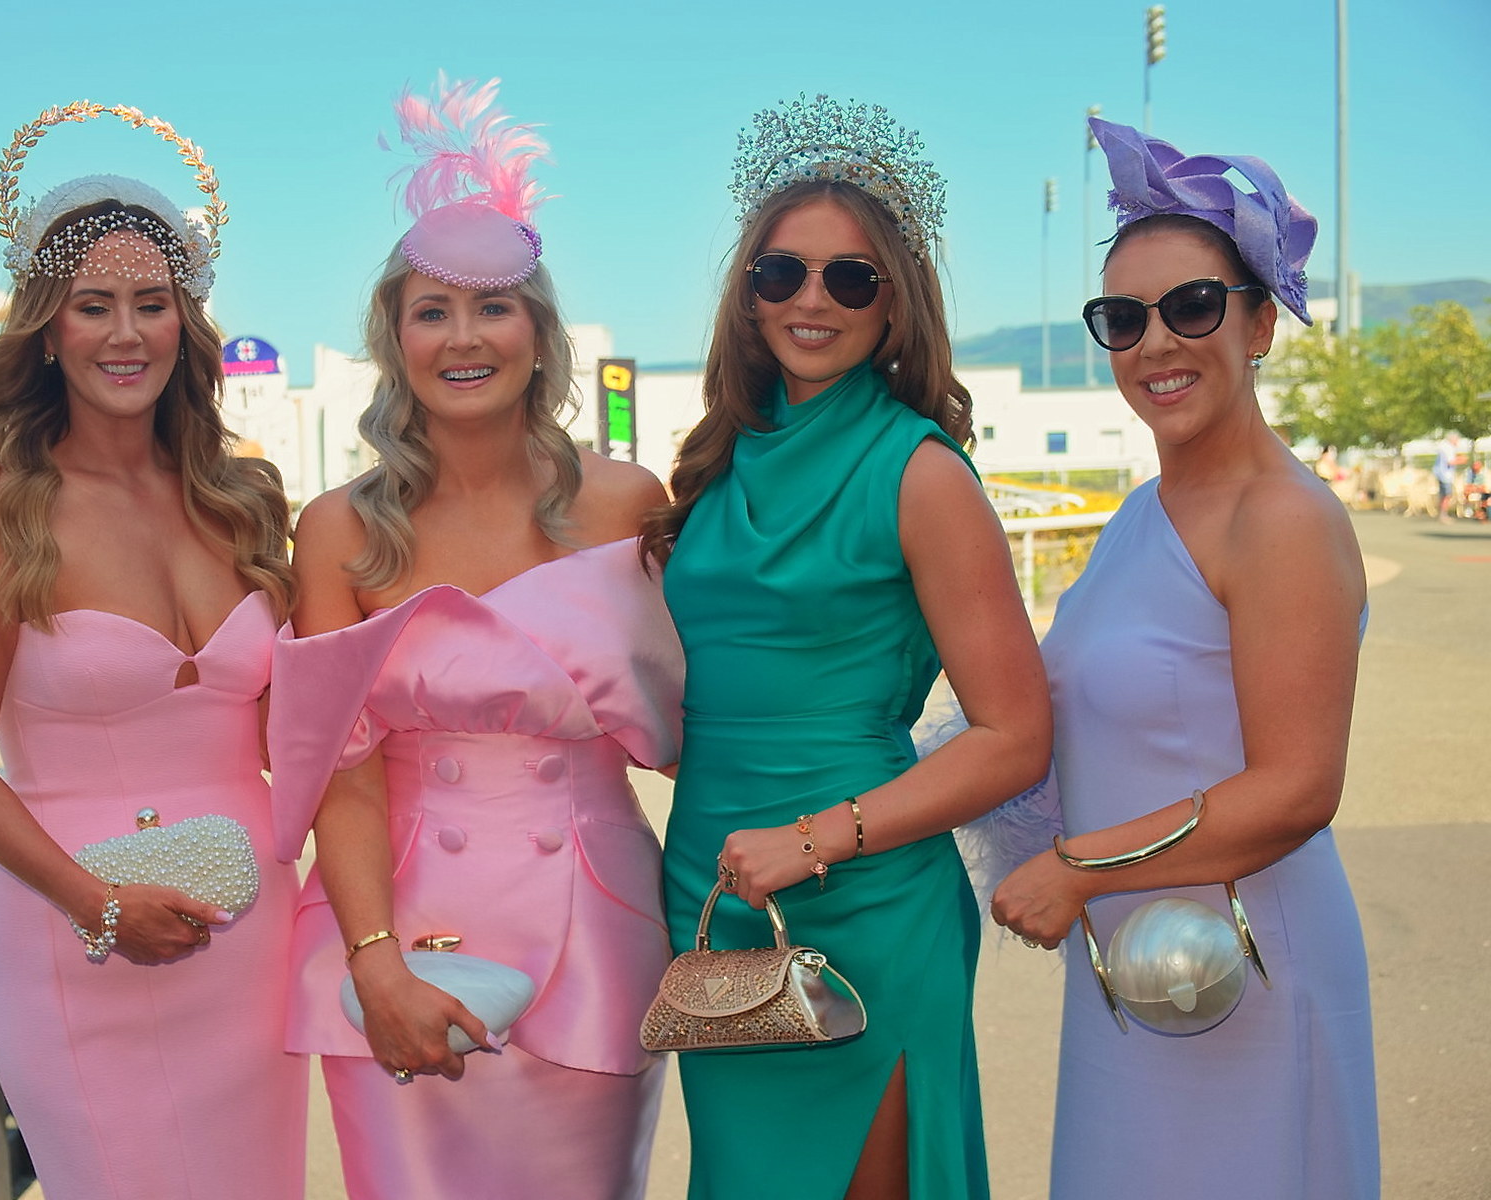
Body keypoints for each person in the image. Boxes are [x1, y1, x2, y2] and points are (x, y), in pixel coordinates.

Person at [267, 78, 682, 1200]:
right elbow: (339, 769)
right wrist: (373, 961)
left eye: (493, 308)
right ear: (394, 339)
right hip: (396, 931)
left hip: (592, 930)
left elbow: (698, 722)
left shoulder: (630, 504)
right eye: (431, 311)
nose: (463, 338)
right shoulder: (339, 529)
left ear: (539, 335)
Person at [641, 96, 1052, 1200]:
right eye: (781, 273)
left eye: (851, 279)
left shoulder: (920, 473)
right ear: (748, 294)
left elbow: (1015, 737)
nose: (811, 299)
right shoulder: (713, 467)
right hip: (717, 899)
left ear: (895, 304)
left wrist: (815, 837)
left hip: (863, 900)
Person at [0, 103, 306, 1199]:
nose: (125, 334)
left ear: (186, 322)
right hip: (74, 935)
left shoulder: (241, 499)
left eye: (151, 303)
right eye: (93, 306)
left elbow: (293, 736)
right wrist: (97, 905)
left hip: (250, 947)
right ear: (47, 329)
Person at [992, 118, 1379, 1199]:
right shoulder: (1135, 517)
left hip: (1244, 968)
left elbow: (1298, 789)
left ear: (1261, 323)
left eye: (1193, 306)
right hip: (1134, 965)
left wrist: (1077, 867)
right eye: (1123, 318)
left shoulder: (1282, 520)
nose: (1155, 343)